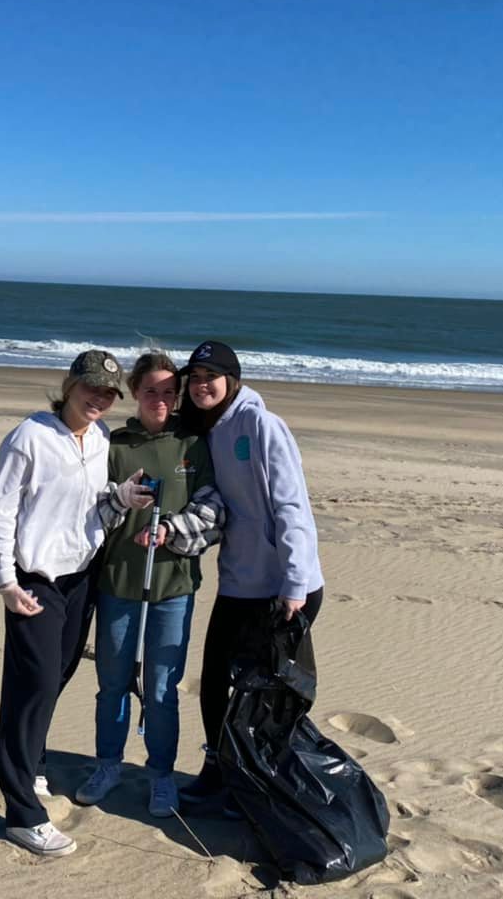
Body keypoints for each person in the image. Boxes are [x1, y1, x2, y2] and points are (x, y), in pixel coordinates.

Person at [0, 349, 151, 857]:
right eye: (91, 388)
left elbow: (92, 507)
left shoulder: (99, 438)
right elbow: (1, 512)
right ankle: (22, 816)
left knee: (55, 676)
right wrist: (6, 583)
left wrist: (120, 498)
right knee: (32, 685)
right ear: (69, 384)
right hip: (33, 580)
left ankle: (29, 763)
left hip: (81, 578)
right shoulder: (29, 437)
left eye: (107, 392)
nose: (98, 398)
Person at [74, 351, 224, 818]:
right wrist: (121, 501)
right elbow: (91, 509)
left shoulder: (194, 443)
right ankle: (107, 765)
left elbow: (215, 509)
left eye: (167, 392)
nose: (159, 400)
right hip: (118, 582)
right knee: (112, 682)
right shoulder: (114, 444)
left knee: (162, 688)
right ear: (135, 393)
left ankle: (161, 774)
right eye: (150, 391)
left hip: (174, 586)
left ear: (176, 396)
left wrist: (171, 530)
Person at [176, 340, 325, 810]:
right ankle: (220, 767)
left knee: (264, 695)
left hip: (285, 588)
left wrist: (295, 584)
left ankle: (264, 785)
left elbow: (291, 505)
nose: (201, 386)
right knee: (215, 678)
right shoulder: (208, 429)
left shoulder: (262, 424)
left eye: (210, 378)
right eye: (194, 379)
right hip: (239, 582)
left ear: (230, 380)